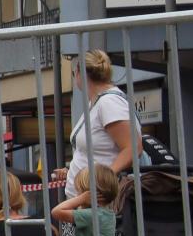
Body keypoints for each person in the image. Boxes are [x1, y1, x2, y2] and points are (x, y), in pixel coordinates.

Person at [57, 50, 136, 188]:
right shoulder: (96, 103)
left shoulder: (109, 102)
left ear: (81, 74)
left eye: (73, 73)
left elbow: (133, 148)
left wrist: (102, 180)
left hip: (99, 198)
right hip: (88, 198)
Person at [52, 164, 123, 236]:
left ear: (88, 193)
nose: (77, 194)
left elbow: (56, 212)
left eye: (79, 190)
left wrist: (80, 199)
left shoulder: (90, 215)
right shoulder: (108, 214)